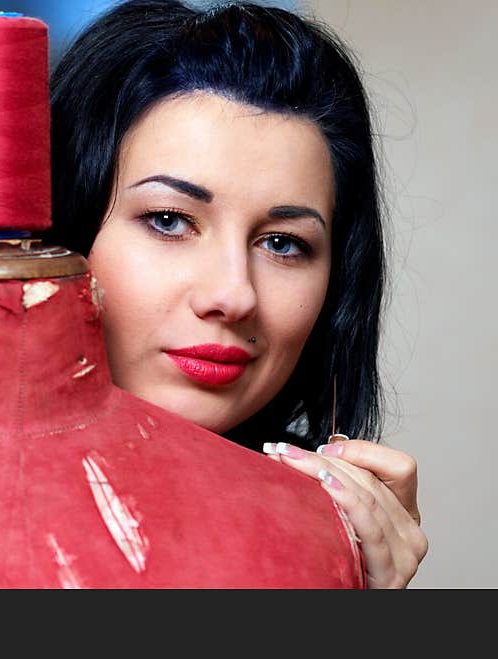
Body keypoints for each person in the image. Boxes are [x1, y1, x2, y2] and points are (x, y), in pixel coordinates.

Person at [46, 0, 428, 588]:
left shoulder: (314, 535)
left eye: (282, 243)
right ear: (63, 232)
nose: (234, 294)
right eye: (170, 220)